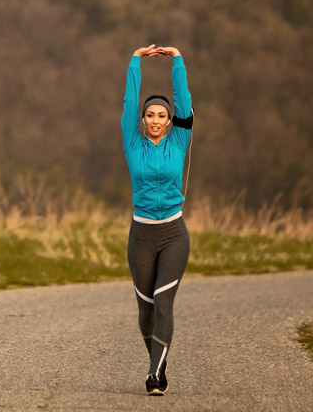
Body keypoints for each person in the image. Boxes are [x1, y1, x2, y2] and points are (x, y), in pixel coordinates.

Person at [122, 44, 193, 396]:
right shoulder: (131, 142)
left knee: (164, 302)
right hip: (141, 236)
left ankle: (155, 373)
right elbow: (127, 104)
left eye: (161, 116)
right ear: (143, 119)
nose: (154, 120)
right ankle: (158, 358)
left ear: (169, 120)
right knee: (146, 312)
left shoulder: (179, 140)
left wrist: (176, 61)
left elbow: (185, 103)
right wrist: (135, 62)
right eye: (150, 115)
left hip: (174, 235)